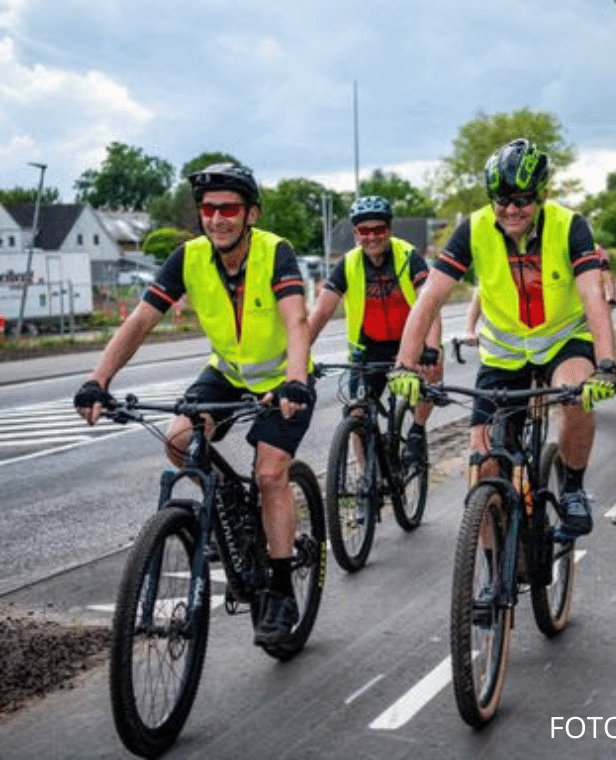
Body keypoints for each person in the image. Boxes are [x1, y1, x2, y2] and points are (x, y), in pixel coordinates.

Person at [73, 163, 314, 647]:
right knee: (181, 439)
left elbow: (296, 320)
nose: (217, 218)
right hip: (226, 374)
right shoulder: (188, 258)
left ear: (250, 214)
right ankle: (228, 501)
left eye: (228, 208)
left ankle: (282, 589)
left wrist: (294, 381)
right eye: (208, 209)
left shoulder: (275, 252)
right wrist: (98, 380)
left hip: (282, 381)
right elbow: (140, 320)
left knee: (270, 475)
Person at [387, 138, 616, 539]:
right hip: (503, 352)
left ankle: (574, 488)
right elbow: (431, 297)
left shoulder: (569, 225)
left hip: (563, 340)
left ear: (541, 195)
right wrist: (404, 365)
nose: (511, 209)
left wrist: (608, 365)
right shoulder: (474, 228)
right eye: (502, 200)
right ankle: (492, 580)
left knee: (576, 393)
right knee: (484, 468)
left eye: (522, 199)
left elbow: (592, 295)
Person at [307, 195, 441, 461]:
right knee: (356, 414)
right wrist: (299, 357)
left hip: (409, 343)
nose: (371, 237)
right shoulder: (348, 264)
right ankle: (363, 477)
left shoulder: (407, 256)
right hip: (368, 349)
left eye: (378, 229)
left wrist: (432, 349)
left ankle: (416, 430)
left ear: (389, 229)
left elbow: (430, 307)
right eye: (364, 231)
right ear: (356, 233)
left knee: (432, 373)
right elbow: (322, 311)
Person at [596, 243, 616, 307]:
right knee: (609, 281)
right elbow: (605, 259)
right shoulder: (598, 248)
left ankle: (611, 298)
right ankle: (611, 298)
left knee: (607, 281)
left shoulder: (595, 247)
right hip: (602, 266)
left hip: (599, 266)